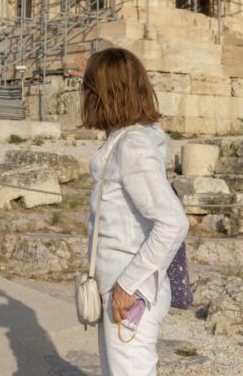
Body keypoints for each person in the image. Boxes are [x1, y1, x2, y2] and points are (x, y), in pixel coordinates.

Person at [80, 48, 189, 375]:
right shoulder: (128, 140)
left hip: (130, 291)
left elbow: (173, 222)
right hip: (120, 286)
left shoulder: (132, 147)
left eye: (88, 88)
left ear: (102, 95)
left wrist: (127, 286)